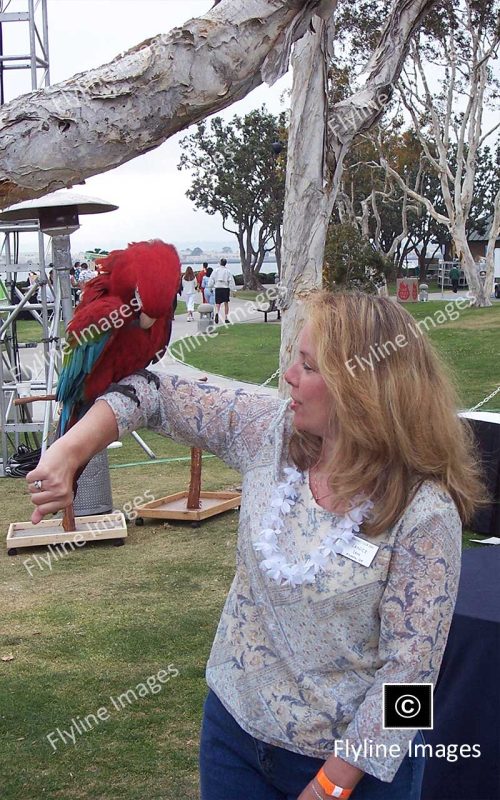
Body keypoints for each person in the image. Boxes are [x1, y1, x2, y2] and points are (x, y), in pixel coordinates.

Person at [27, 291, 484, 800]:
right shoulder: (272, 434)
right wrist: (70, 449)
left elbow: (412, 680)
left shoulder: (424, 512)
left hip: (350, 773)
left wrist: (332, 784)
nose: (289, 374)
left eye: (308, 366)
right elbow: (156, 395)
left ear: (364, 388)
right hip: (234, 739)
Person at [208, 257, 236, 324]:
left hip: (218, 288)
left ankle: (217, 313)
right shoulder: (227, 271)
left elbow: (211, 280)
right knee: (226, 303)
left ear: (220, 263)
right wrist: (233, 290)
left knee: (217, 303)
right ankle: (226, 318)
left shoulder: (215, 271)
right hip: (225, 288)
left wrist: (210, 287)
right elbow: (231, 281)